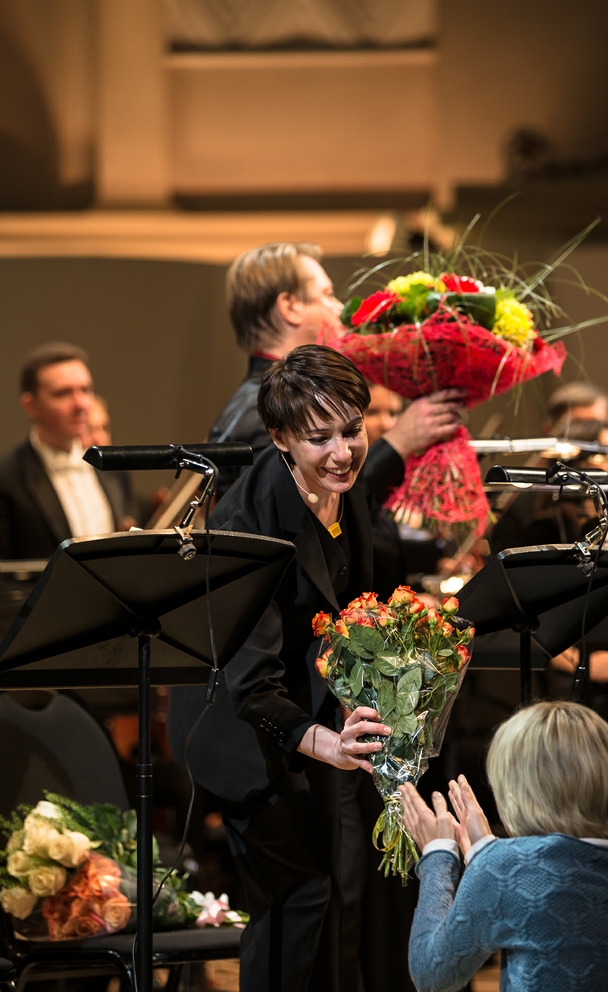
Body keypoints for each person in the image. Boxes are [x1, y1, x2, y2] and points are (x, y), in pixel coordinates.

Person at [168, 345, 391, 992]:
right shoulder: (247, 525)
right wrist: (330, 743)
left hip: (307, 719)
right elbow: (251, 683)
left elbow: (353, 610)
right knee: (297, 895)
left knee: (333, 892)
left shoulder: (345, 486)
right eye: (320, 439)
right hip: (239, 731)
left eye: (352, 429)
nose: (343, 452)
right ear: (279, 438)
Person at [400, 700, 608, 991]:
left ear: (521, 792)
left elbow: (430, 976)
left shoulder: (503, 870)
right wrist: (486, 857)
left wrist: (438, 855)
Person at [208, 242, 465, 500]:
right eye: (328, 295)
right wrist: (399, 442)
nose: (340, 308)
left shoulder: (256, 404)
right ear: (290, 307)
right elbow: (310, 507)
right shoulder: (261, 411)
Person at [0, 343, 135, 563]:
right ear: (31, 406)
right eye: (63, 393)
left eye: (85, 390)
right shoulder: (3, 479)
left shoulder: (113, 468)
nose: (81, 404)